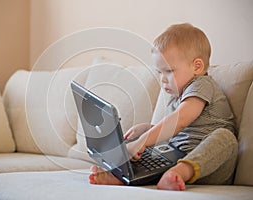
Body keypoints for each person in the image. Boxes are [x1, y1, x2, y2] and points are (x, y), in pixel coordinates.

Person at [89, 23, 238, 191]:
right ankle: (123, 175)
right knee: (134, 142)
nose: (163, 79)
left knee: (225, 137)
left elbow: (179, 120)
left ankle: (179, 172)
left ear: (197, 67)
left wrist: (142, 142)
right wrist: (147, 129)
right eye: (160, 72)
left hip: (209, 165)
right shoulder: (176, 98)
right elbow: (174, 131)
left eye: (169, 71)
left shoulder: (201, 85)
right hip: (175, 155)